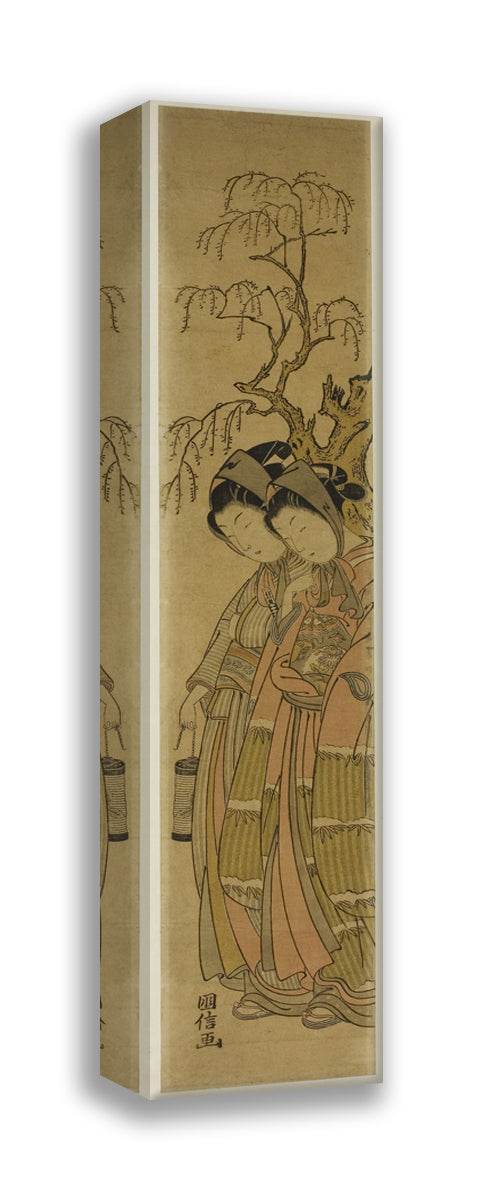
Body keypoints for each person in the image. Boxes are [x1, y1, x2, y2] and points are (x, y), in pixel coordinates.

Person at [217, 460, 375, 1027]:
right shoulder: (310, 583)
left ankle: (355, 982)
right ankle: (290, 974)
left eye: (306, 528)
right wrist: (285, 672)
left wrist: (333, 685)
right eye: (288, 535)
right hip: (291, 728)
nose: (300, 543)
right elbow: (276, 650)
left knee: (339, 852)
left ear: (331, 515)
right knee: (284, 842)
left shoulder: (373, 570)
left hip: (347, 737)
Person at [178, 441, 297, 996]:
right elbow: (226, 634)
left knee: (269, 839)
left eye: (246, 524)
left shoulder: (309, 575)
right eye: (230, 534)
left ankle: (282, 963)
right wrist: (200, 688)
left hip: (277, 722)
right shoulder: (258, 582)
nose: (241, 542)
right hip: (231, 718)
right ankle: (242, 958)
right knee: (221, 834)